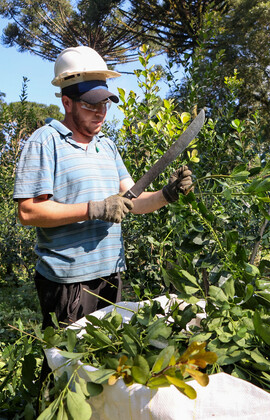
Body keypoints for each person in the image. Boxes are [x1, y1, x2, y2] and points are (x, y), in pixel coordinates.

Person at [13, 45, 192, 337]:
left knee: (104, 363)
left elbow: (131, 200)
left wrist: (165, 195)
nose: (100, 113)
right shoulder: (45, 142)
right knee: (67, 365)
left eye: (105, 104)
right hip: (68, 282)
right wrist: (94, 209)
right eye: (90, 104)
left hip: (111, 275)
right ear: (67, 102)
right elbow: (28, 211)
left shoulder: (106, 146)